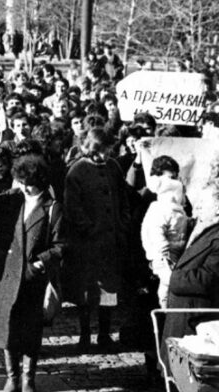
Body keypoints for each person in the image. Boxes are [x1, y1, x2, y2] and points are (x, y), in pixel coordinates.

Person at [0, 154, 65, 392]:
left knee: (30, 330)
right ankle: (12, 377)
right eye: (21, 182)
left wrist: (39, 263)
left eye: (29, 184)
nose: (25, 188)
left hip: (31, 278)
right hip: (7, 274)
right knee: (7, 327)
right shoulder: (12, 200)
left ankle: (28, 378)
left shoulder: (53, 208)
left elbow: (61, 246)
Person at [63, 127, 130, 350]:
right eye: (101, 151)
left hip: (111, 242)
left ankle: (104, 334)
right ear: (91, 148)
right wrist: (88, 228)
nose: (105, 155)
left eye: (109, 150)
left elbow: (123, 198)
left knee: (108, 291)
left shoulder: (114, 167)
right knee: (86, 291)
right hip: (87, 244)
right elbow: (72, 207)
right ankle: (84, 335)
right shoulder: (77, 171)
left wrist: (122, 223)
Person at [161, 152, 219, 373]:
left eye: (203, 204)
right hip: (183, 318)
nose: (197, 209)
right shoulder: (204, 229)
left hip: (195, 322)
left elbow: (207, 279)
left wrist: (172, 277)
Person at [141, 177, 190, 309]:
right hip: (165, 255)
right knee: (169, 283)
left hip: (176, 252)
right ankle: (165, 312)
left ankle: (168, 311)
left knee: (168, 285)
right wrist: (163, 252)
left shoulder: (178, 211)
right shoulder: (161, 211)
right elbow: (156, 232)